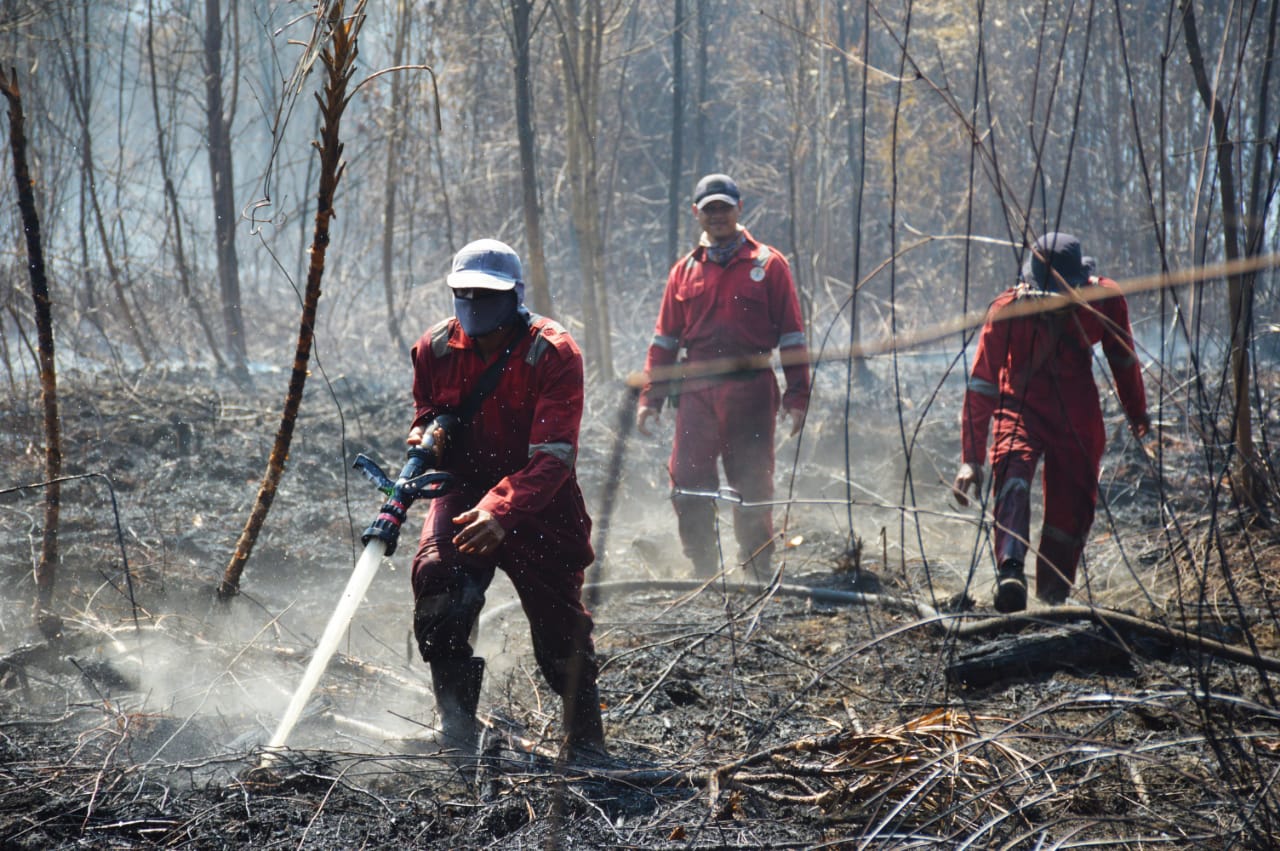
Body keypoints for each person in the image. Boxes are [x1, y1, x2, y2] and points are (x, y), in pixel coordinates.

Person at [406, 238, 607, 761]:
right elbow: (427, 408)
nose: (474, 304)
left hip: (540, 500)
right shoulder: (434, 348)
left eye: (487, 294)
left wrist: (502, 510)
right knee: (439, 581)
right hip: (463, 491)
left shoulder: (552, 352)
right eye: (465, 293)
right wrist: (427, 433)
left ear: (515, 294)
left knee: (560, 628)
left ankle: (586, 743)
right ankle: (455, 729)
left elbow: (554, 455)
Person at [952, 232, 1150, 612]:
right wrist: (971, 459)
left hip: (1076, 408)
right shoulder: (1006, 310)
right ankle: (1011, 572)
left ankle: (1052, 595)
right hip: (1020, 405)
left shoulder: (1104, 300)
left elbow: (1122, 358)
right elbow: (981, 385)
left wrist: (1136, 410)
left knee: (1072, 500)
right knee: (1012, 474)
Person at [636, 173, 811, 578]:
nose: (717, 215)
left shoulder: (768, 265)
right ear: (696, 213)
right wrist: (651, 398)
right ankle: (703, 568)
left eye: (724, 208)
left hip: (751, 392)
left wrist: (797, 396)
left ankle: (756, 567)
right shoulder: (683, 272)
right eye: (709, 209)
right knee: (686, 480)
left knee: (752, 484)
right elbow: (663, 343)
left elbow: (792, 336)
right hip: (696, 393)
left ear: (739, 209)